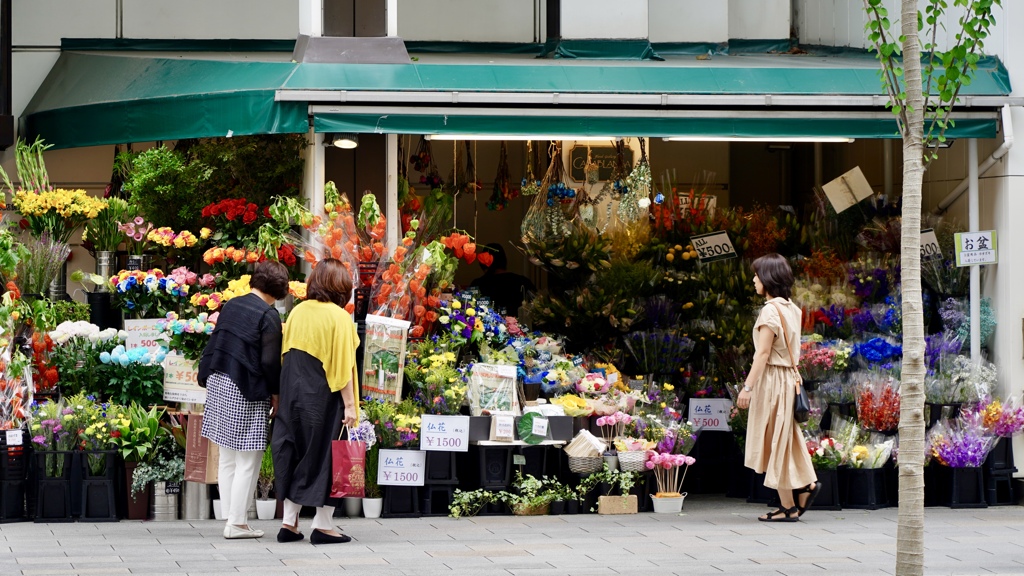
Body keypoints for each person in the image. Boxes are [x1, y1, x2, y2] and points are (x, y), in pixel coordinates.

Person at [198, 260, 289, 540]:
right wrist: (276, 393)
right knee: (248, 458)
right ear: (280, 289)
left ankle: (231, 518)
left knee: (227, 456)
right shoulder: (269, 315)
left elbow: (216, 342)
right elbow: (269, 362)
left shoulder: (233, 304)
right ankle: (236, 523)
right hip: (245, 387)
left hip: (219, 380)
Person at [272, 258, 359, 545]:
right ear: (341, 288)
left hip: (292, 392)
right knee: (328, 455)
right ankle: (322, 525)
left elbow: (286, 352)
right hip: (322, 394)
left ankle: (289, 522)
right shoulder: (339, 317)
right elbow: (343, 366)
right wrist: (350, 406)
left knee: (294, 451)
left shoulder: (297, 311)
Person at [735, 253, 819, 522]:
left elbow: (762, 354)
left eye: (757, 275)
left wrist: (747, 387)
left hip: (773, 381)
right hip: (789, 378)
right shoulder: (792, 308)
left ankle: (798, 494)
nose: (754, 279)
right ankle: (792, 501)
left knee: (776, 440)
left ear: (768, 278)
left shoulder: (770, 310)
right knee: (783, 439)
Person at [470, 243, 535, 315]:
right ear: (504, 260)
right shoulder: (522, 282)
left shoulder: (477, 285)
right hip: (519, 325)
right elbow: (536, 308)